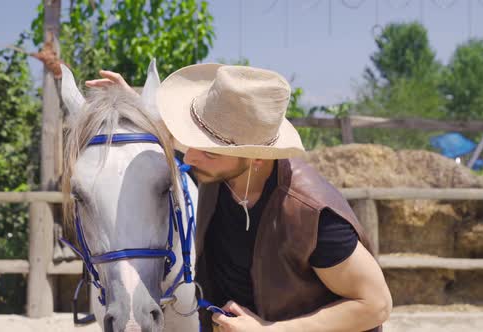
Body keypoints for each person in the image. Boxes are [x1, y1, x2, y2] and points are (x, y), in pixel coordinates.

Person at [86, 64, 391, 332]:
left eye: (206, 149)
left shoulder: (311, 215)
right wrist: (133, 106)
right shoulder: (223, 167)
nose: (189, 157)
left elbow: (376, 304)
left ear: (256, 157)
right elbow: (171, 138)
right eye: (190, 139)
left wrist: (272, 331)